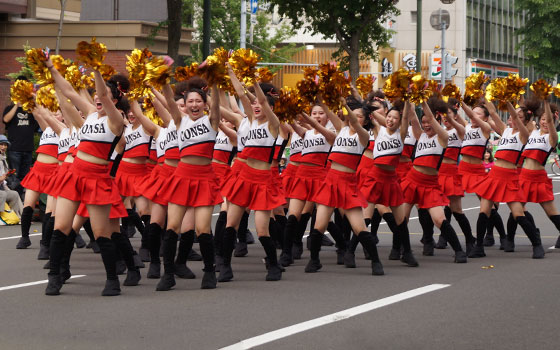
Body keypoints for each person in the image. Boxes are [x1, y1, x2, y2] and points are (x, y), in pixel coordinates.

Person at [2, 77, 39, 197]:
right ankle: (15, 198)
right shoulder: (9, 108)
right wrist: (16, 105)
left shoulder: (30, 109)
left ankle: (22, 200)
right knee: (14, 176)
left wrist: (31, 104)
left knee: (25, 177)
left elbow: (37, 122)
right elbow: (6, 119)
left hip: (28, 149)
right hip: (15, 149)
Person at [0, 135, 23, 218]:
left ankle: (18, 217)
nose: (3, 147)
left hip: (1, 188)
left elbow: (3, 181)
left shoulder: (3, 158)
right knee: (2, 194)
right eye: (1, 144)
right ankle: (2, 218)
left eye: (5, 145)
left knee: (14, 194)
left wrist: (6, 177)